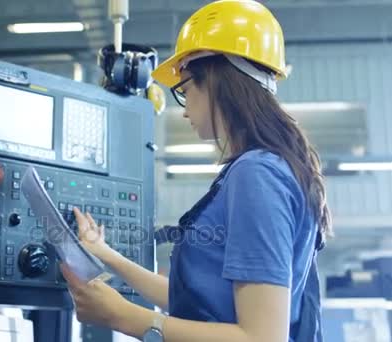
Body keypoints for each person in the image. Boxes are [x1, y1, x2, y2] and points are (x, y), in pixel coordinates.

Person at [60, 0, 332, 341]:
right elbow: (199, 301)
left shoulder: (258, 175)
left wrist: (125, 317)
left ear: (216, 80)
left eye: (185, 90)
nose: (184, 108)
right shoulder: (264, 169)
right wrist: (107, 255)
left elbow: (262, 337)